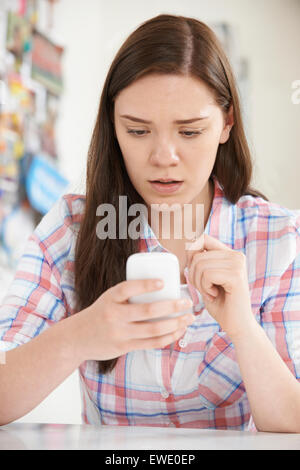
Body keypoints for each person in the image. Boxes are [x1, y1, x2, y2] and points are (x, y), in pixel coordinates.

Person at [0, 13, 300, 432]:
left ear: (226, 123)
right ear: (113, 124)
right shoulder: (72, 227)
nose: (163, 157)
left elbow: (293, 424)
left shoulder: (278, 238)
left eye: (190, 132)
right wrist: (79, 336)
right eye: (138, 131)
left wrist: (244, 329)